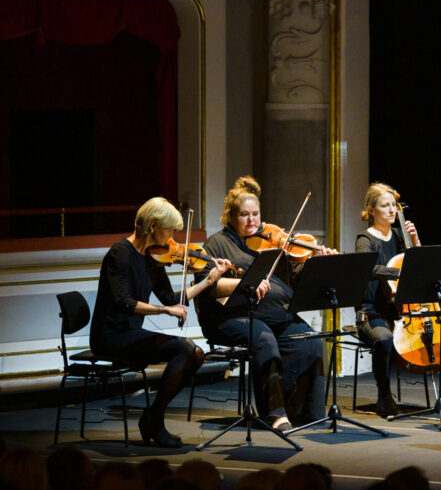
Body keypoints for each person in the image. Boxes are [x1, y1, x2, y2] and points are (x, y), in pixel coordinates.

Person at [90, 197, 232, 447]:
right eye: (170, 230)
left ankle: (153, 416)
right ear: (153, 225)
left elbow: (171, 297)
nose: (173, 237)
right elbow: (125, 302)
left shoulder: (149, 258)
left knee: (196, 354)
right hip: (111, 336)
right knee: (185, 348)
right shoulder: (119, 254)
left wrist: (209, 280)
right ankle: (154, 420)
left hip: (132, 333)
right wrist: (164, 310)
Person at [194, 176, 332, 432]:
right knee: (264, 339)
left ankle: (307, 412)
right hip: (229, 317)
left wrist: (316, 261)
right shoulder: (217, 243)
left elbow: (294, 277)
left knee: (310, 339)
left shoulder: (268, 241)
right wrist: (245, 285)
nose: (251, 221)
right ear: (231, 217)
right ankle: (276, 413)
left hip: (272, 315)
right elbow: (209, 287)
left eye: (255, 214)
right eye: (244, 215)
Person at [355, 182, 441, 420]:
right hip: (374, 312)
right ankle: (384, 395)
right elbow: (368, 268)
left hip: (406, 310)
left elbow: (424, 267)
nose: (391, 211)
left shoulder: (400, 236)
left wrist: (415, 243)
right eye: (384, 206)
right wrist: (398, 273)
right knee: (384, 340)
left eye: (393, 206)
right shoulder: (365, 239)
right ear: (371, 210)